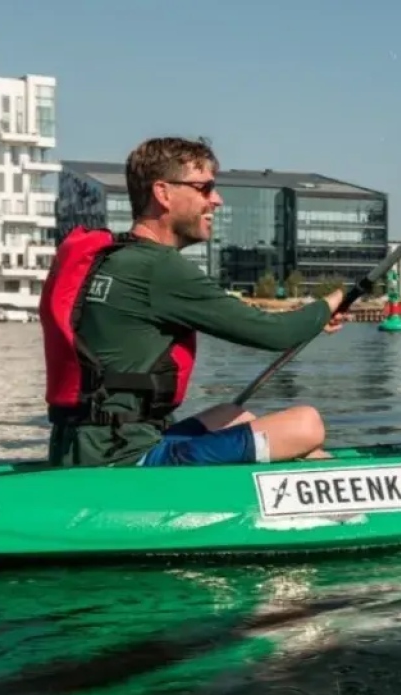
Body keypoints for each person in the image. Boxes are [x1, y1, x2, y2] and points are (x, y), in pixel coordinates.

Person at [40, 136, 348, 468]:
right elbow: (276, 334)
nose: (216, 200)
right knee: (306, 425)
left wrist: (314, 317)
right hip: (124, 459)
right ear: (163, 193)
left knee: (233, 414)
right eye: (204, 188)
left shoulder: (115, 257)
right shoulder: (159, 268)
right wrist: (331, 302)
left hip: (83, 446)